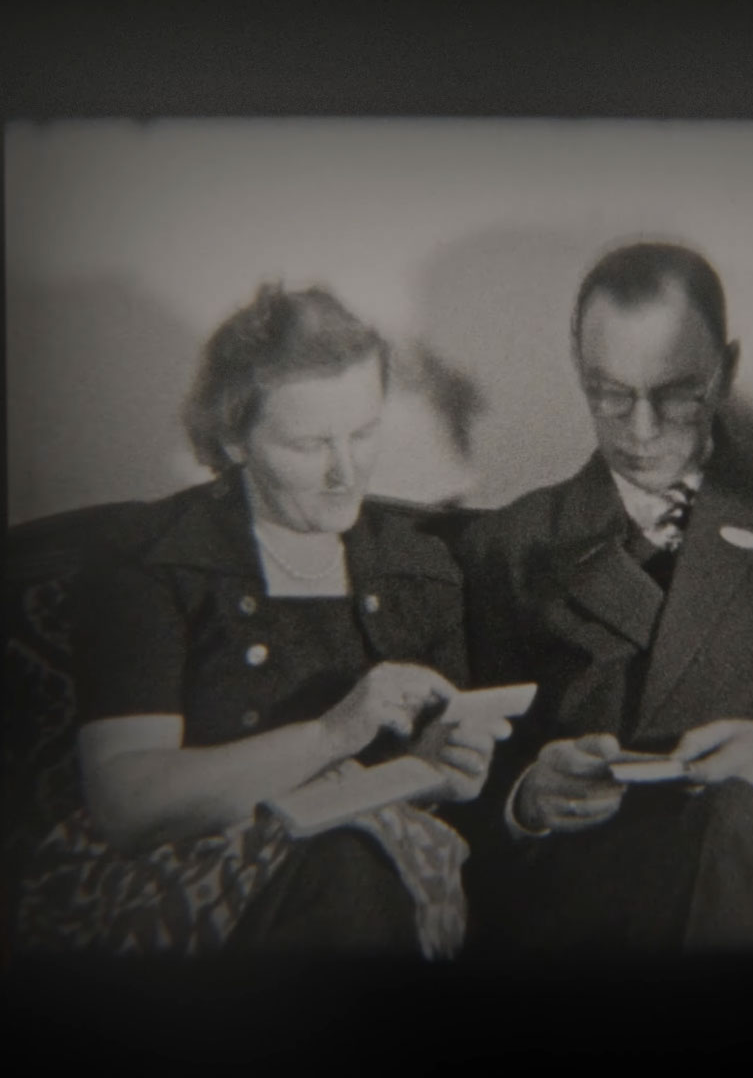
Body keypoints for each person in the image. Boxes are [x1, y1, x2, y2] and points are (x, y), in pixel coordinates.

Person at [458, 242, 753, 952]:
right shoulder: (511, 542)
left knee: (742, 827)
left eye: (677, 392)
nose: (640, 430)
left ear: (727, 370)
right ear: (579, 374)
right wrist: (529, 796)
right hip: (608, 877)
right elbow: (469, 755)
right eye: (609, 394)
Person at [13, 283, 508, 958]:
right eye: (308, 446)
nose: (345, 473)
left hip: (373, 892)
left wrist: (440, 771)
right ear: (235, 439)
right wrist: (337, 731)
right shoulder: (154, 560)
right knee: (343, 869)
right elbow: (127, 806)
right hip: (190, 888)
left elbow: (445, 791)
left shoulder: (419, 569)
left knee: (354, 866)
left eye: (362, 434)